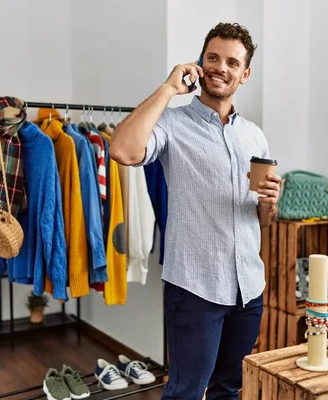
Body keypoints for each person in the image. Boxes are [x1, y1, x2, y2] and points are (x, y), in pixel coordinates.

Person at [110, 22, 281, 400]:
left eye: (232, 62)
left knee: (229, 389)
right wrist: (169, 89)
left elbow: (262, 220)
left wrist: (270, 205)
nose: (221, 67)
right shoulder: (171, 124)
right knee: (187, 391)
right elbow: (122, 150)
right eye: (213, 58)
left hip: (248, 289)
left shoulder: (254, 136)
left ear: (245, 74)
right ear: (200, 63)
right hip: (195, 289)